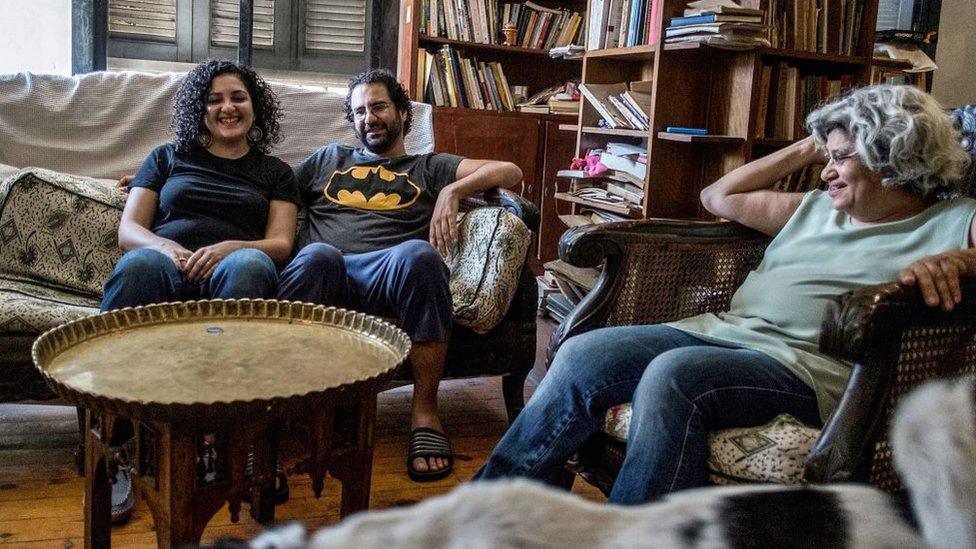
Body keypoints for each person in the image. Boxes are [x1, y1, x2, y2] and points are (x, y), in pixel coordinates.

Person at [474, 84, 975, 503]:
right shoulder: (817, 206)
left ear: (890, 159)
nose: (826, 171)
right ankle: (493, 504)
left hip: (808, 369)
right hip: (725, 334)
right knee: (585, 350)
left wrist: (964, 260)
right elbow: (718, 196)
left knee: (674, 377)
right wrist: (813, 143)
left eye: (841, 158)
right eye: (828, 156)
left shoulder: (955, 220)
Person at [276, 68, 523, 481]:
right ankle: (286, 409)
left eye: (378, 107)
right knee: (318, 255)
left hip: (389, 273)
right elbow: (266, 190)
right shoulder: (327, 160)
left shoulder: (429, 167)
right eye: (358, 112)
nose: (368, 118)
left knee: (420, 255)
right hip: (324, 271)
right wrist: (147, 181)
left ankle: (424, 414)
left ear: (403, 113)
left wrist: (452, 190)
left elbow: (510, 170)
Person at [102, 58, 300, 521]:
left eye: (238, 97)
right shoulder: (167, 157)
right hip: (168, 262)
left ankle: (237, 443)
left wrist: (233, 245)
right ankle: (115, 448)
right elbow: (130, 229)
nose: (227, 107)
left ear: (255, 107)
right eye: (214, 99)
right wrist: (167, 248)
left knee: (250, 264)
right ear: (200, 108)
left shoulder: (276, 172)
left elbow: (281, 243)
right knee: (137, 266)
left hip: (234, 264)